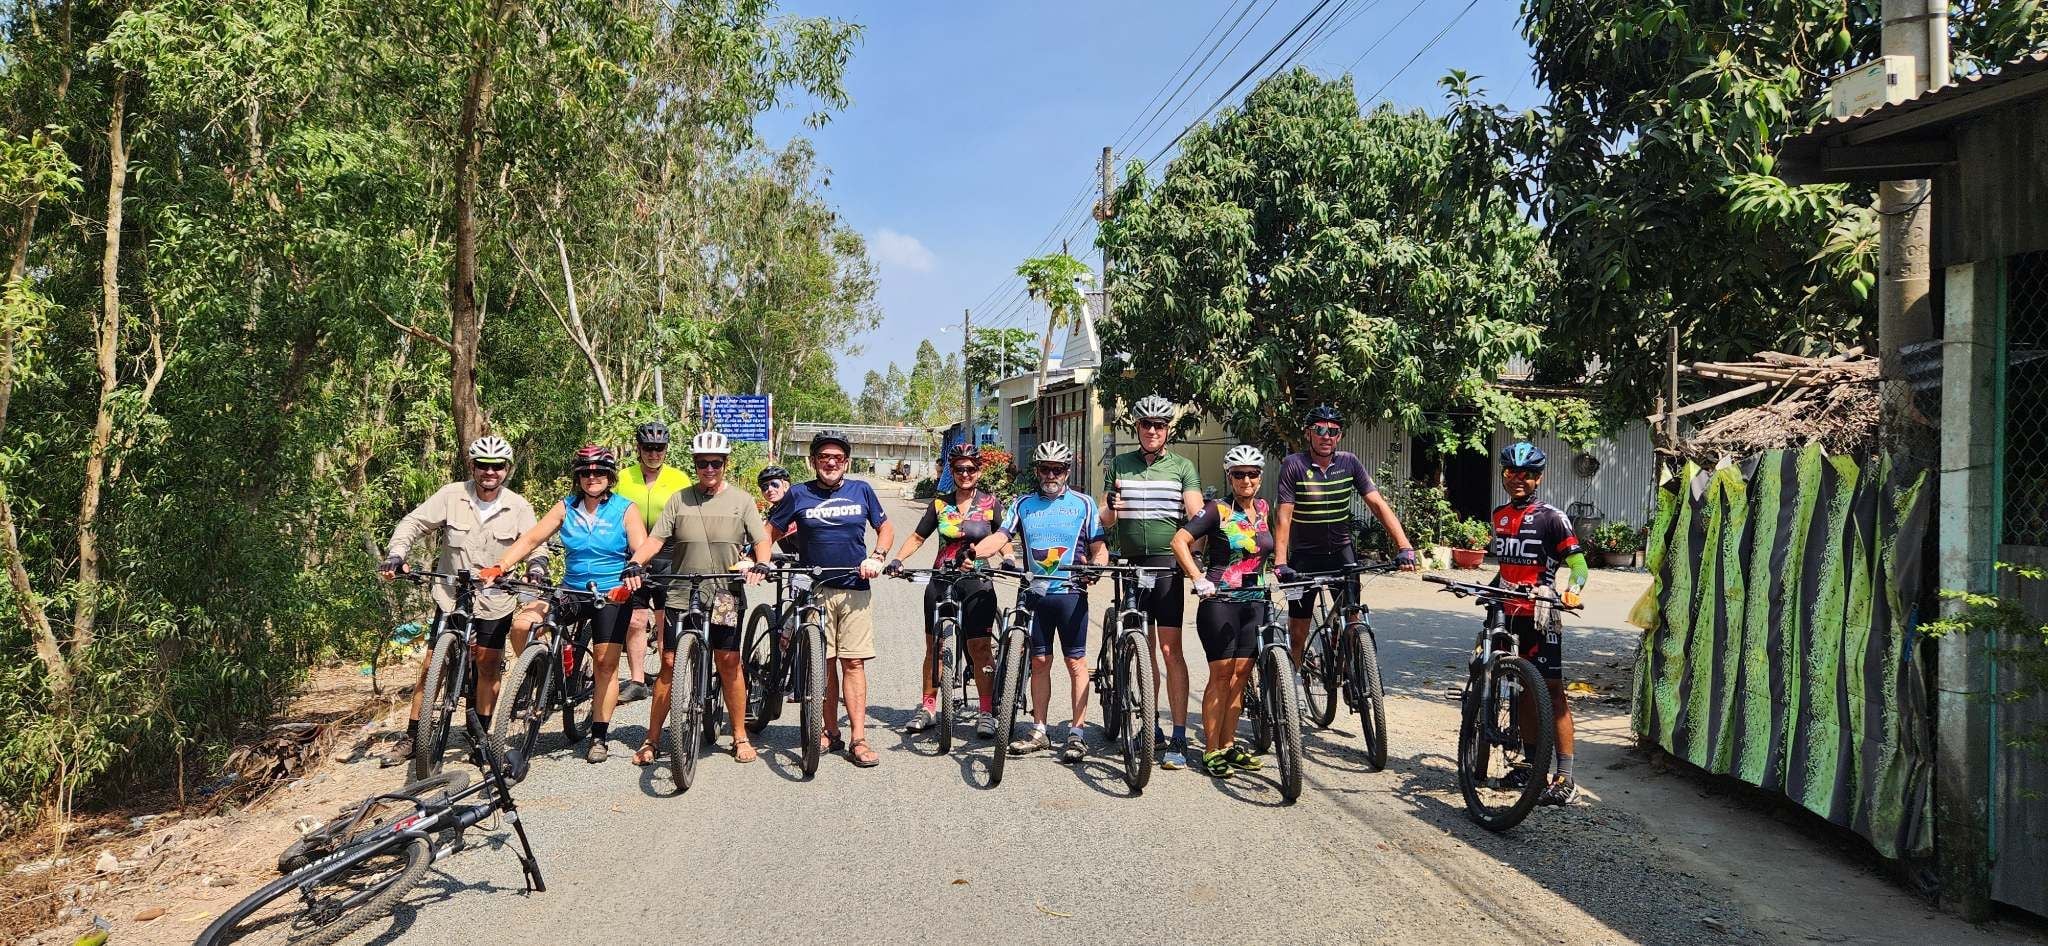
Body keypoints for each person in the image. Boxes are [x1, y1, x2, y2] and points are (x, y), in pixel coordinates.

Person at [377, 436, 548, 764]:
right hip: (452, 595)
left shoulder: (519, 506)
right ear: (472, 466)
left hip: (496, 599)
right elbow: (413, 523)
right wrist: (397, 554)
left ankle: (480, 736)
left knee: (487, 666)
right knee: (431, 667)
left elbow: (535, 544)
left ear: (507, 470)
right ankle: (413, 737)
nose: (490, 472)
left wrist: (536, 569)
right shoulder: (452, 495)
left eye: (497, 466)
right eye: (482, 465)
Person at [487, 446, 650, 763]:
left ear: (609, 476)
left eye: (599, 471)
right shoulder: (566, 507)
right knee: (522, 625)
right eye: (586, 472)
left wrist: (635, 569)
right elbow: (532, 539)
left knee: (606, 663)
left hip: (610, 592)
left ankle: (599, 736)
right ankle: (541, 674)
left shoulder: (625, 509)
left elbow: (641, 547)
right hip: (572, 589)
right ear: (578, 477)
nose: (593, 477)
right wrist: (501, 565)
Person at [625, 430, 773, 765]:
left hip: (724, 594)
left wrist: (762, 562)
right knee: (668, 663)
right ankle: (652, 740)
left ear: (725, 464)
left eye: (715, 463)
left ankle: (739, 736)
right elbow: (655, 540)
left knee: (729, 662)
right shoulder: (679, 499)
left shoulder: (742, 500)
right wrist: (635, 562)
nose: (709, 468)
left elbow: (761, 539)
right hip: (682, 592)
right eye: (703, 463)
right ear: (695, 464)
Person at [972, 440, 1109, 764]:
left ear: (1067, 471)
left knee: (1076, 664)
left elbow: (1098, 547)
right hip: (1033, 594)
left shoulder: (1084, 504)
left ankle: (1077, 733)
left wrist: (1099, 566)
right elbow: (1000, 538)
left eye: (1057, 469)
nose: (1051, 475)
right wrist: (972, 552)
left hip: (1071, 594)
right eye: (1045, 469)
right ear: (1037, 471)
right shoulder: (1022, 504)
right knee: (1039, 663)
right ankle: (1039, 729)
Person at [766, 430, 895, 768]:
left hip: (855, 587)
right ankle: (828, 731)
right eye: (824, 458)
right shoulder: (797, 494)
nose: (831, 463)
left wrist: (878, 557)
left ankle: (859, 738)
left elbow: (886, 529)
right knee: (822, 663)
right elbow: (770, 531)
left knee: (853, 662)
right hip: (815, 590)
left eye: (837, 458)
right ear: (813, 462)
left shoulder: (862, 490)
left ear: (847, 462)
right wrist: (760, 559)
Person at [1099, 395, 1203, 770]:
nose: (1153, 431)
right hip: (1129, 564)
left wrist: (1198, 551)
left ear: (1168, 430)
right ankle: (1150, 726)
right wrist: (1110, 504)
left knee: (1170, 649)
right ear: (1137, 428)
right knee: (1137, 642)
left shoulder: (1182, 467)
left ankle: (1177, 734)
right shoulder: (1120, 464)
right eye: (1146, 425)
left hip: (1166, 565)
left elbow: (1195, 516)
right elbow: (1106, 520)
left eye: (1160, 425)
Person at [1272, 405, 1418, 666]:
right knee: (1298, 634)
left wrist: (1404, 546)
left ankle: (1348, 671)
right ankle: (1292, 693)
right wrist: (1281, 563)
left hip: (1342, 553)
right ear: (1309, 433)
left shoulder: (1349, 462)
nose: (1326, 436)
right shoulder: (1293, 465)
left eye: (1333, 431)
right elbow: (1284, 516)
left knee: (1353, 619)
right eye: (1320, 429)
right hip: (1304, 557)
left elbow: (1377, 504)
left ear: (1339, 436)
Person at [884, 443, 1009, 740]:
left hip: (977, 581)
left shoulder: (991, 503)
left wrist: (1009, 558)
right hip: (941, 579)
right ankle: (928, 708)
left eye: (971, 469)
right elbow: (917, 536)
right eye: (959, 469)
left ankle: (987, 712)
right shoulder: (940, 504)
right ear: (951, 472)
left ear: (979, 471)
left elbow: (1004, 537)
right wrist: (899, 559)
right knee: (934, 648)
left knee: (979, 649)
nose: (965, 474)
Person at [1488, 441, 1589, 805]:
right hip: (1505, 610)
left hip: (1540, 612)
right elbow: (1505, 569)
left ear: (1539, 478)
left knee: (1550, 690)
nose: (1519, 479)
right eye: (1511, 472)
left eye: (1527, 474)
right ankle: (1532, 768)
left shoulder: (1552, 517)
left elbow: (1579, 565)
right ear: (1503, 474)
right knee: (1518, 688)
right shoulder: (1499, 516)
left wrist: (1572, 590)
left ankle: (1565, 777)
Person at [1170, 445, 1274, 778]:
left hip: (1254, 601)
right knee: (1221, 675)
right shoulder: (1217, 510)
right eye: (1239, 474)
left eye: (1252, 473)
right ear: (1229, 476)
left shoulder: (1263, 508)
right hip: (1220, 602)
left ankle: (1228, 745)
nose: (1246, 479)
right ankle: (1211, 749)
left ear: (1260, 477)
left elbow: (1265, 550)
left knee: (1241, 677)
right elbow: (1179, 541)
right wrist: (1198, 578)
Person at [613, 422, 691, 704]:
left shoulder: (679, 478)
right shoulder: (624, 476)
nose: (653, 453)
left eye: (659, 449)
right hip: (631, 555)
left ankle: (664, 675)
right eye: (648, 448)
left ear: (666, 450)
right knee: (635, 620)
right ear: (638, 448)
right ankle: (636, 679)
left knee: (662, 620)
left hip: (667, 554)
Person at [756, 466, 803, 557]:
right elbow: (765, 539)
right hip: (795, 564)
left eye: (774, 484)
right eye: (764, 487)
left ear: (785, 485)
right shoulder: (772, 512)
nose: (769, 489)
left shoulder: (800, 504)